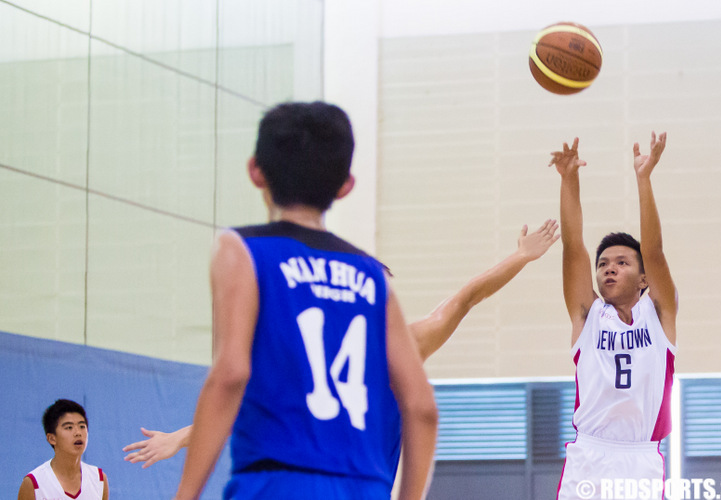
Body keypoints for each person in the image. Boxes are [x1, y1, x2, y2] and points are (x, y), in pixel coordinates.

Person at [124, 219, 561, 469]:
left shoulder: (407, 343)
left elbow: (467, 297)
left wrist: (521, 256)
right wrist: (179, 439)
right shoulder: (313, 350)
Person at [173, 101, 439, 500]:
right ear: (346, 184)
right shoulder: (373, 276)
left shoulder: (241, 250)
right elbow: (421, 408)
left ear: (255, 171)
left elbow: (230, 374)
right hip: (364, 487)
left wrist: (185, 495)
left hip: (277, 481)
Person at [549, 133, 677, 500]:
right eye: (603, 264)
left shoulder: (659, 314)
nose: (609, 269)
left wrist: (644, 179)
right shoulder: (588, 316)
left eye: (622, 263)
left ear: (643, 279)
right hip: (588, 455)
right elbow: (573, 246)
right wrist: (568, 178)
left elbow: (654, 250)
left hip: (639, 460)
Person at [18, 399, 109, 500]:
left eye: (82, 426)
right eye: (69, 427)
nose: (78, 433)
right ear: (52, 438)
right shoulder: (34, 483)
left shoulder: (99, 479)